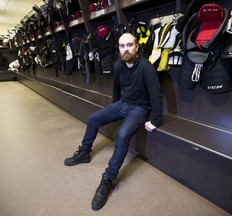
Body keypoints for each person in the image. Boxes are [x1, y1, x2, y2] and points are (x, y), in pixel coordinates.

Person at [64, 32, 163, 210]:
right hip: (122, 104)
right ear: (118, 48)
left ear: (137, 47)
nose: (126, 49)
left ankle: (107, 179)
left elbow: (156, 95)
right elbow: (116, 90)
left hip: (139, 109)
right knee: (93, 118)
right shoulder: (118, 66)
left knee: (122, 134)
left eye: (129, 45)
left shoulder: (146, 67)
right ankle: (84, 152)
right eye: (122, 46)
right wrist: (114, 110)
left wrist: (155, 120)